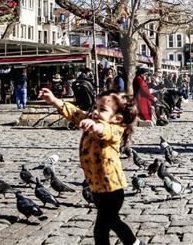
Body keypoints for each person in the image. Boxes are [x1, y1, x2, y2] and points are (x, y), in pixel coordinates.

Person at [37, 88, 142, 245]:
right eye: (95, 107)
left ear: (117, 118)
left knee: (101, 227)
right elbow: (75, 114)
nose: (95, 112)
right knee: (112, 222)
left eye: (102, 110)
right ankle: (134, 243)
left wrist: (95, 126)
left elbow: (105, 130)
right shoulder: (92, 118)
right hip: (97, 189)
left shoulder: (115, 129)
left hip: (112, 190)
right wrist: (55, 101)